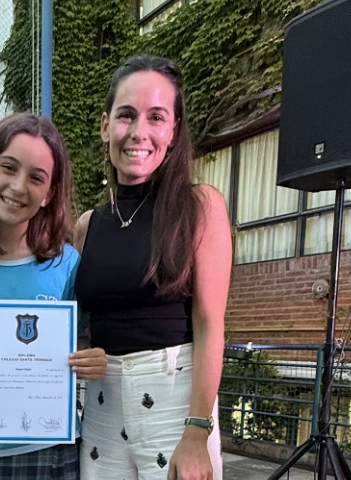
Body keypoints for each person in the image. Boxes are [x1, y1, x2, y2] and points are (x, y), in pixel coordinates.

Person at [74, 54, 232, 480]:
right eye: (126, 115)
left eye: (156, 117)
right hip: (101, 405)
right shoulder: (86, 226)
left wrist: (197, 430)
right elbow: (80, 326)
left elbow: (210, 323)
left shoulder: (200, 207)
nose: (138, 132)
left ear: (173, 130)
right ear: (105, 125)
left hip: (176, 404)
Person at [0, 112, 108, 479]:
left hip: (52, 449)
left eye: (36, 177)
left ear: (49, 194)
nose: (18, 186)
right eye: (8, 167)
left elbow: (83, 340)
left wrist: (94, 359)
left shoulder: (67, 264)